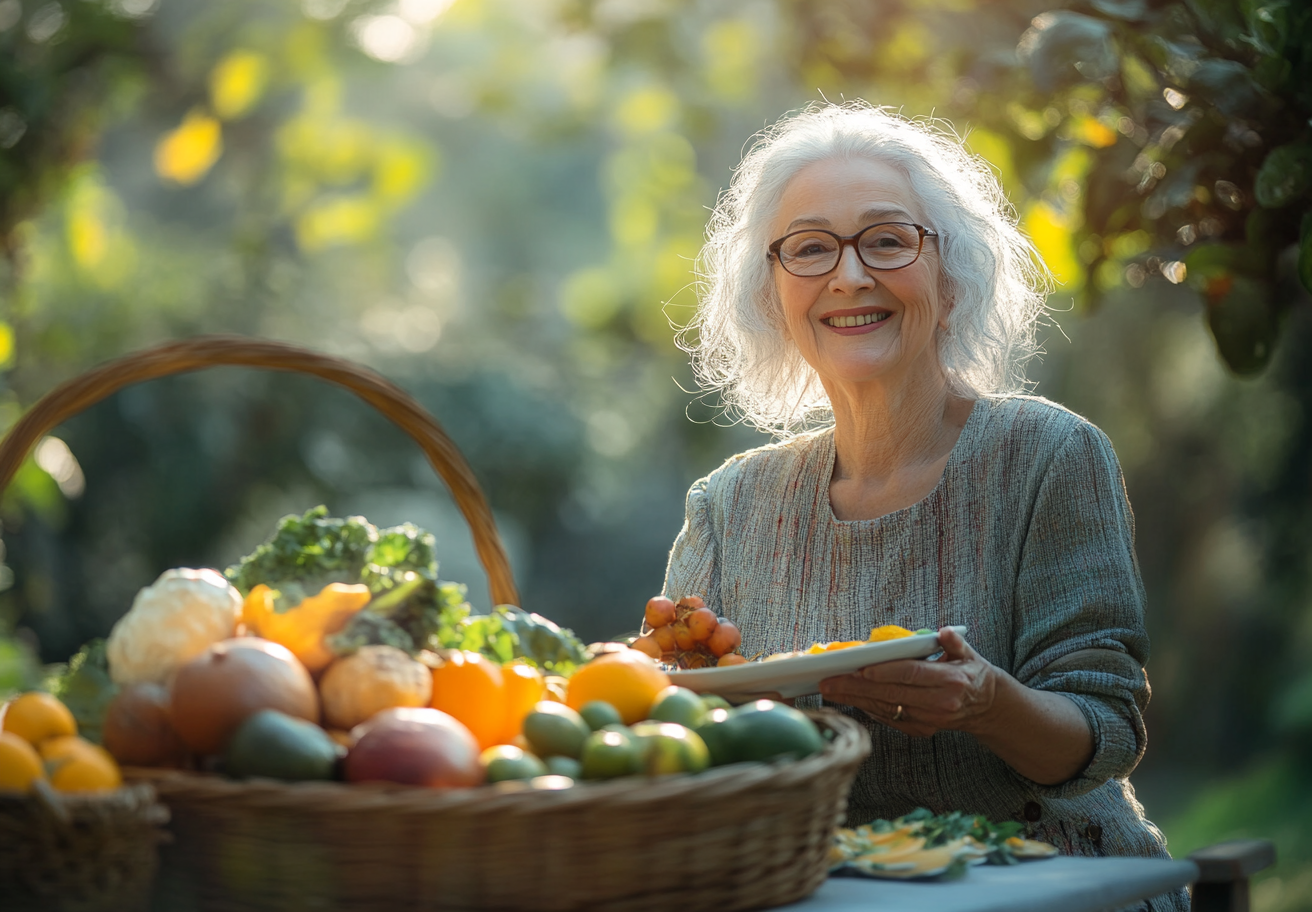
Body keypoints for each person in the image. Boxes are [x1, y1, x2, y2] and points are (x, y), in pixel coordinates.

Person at [662, 101, 1185, 910]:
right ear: (772, 297)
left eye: (887, 239)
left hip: (1052, 890)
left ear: (951, 276)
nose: (850, 274)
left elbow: (1105, 735)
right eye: (809, 248)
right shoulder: (729, 506)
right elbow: (682, 736)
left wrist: (986, 702)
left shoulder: (1047, 455)